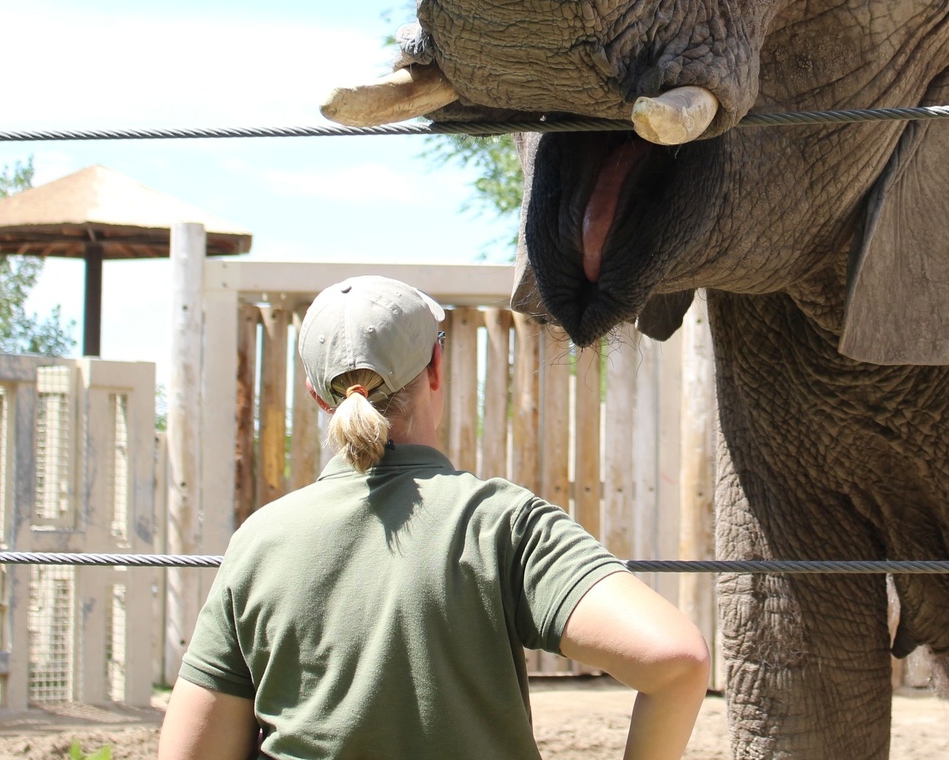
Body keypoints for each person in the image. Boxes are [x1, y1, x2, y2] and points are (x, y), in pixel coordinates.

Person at [158, 275, 710, 760]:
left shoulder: (258, 542)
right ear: (437, 366)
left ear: (316, 395)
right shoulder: (501, 524)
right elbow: (676, 662)